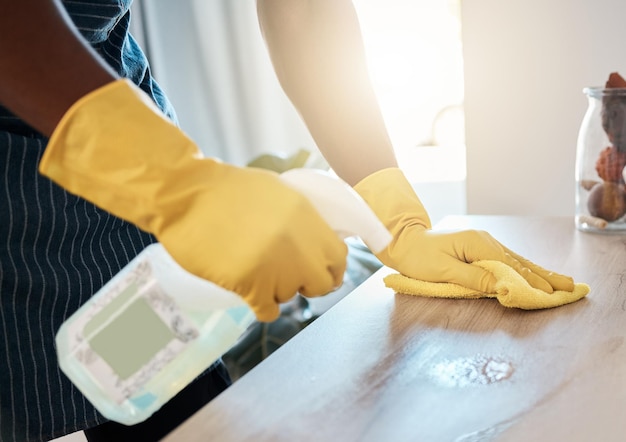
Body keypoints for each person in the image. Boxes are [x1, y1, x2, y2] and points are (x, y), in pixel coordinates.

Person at [0, 0, 575, 441]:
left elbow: (302, 9)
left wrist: (389, 211)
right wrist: (173, 183)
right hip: (34, 160)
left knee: (171, 406)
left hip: (119, 161)